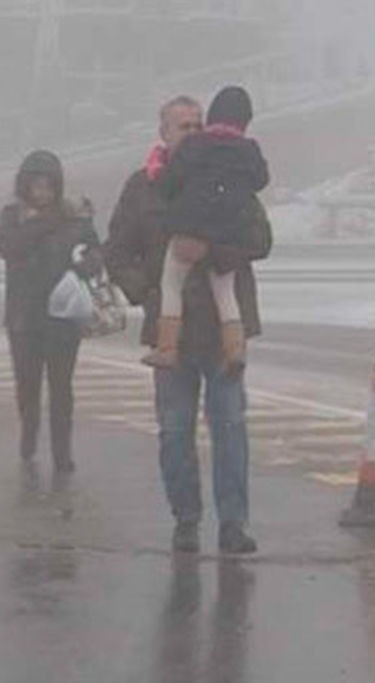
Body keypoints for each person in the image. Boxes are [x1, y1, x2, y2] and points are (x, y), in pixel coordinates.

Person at [104, 96, 272, 554]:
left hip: (224, 329)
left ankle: (233, 524)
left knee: (230, 427)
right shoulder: (143, 188)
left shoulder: (229, 179)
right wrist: (149, 293)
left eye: (199, 124)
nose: (193, 132)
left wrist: (214, 255)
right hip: (170, 331)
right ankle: (186, 518)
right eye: (183, 126)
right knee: (175, 431)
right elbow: (116, 251)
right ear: (163, 133)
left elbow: (260, 241)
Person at [142, 86, 269, 374]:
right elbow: (261, 179)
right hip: (225, 238)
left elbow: (170, 182)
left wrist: (162, 177)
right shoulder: (248, 150)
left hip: (188, 231)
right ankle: (235, 350)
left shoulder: (195, 145)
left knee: (171, 283)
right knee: (226, 294)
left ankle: (166, 348)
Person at [0, 150, 101, 474]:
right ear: (24, 186)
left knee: (61, 387)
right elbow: (8, 246)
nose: (42, 192)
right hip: (23, 317)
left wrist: (88, 264)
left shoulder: (74, 218)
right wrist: (48, 221)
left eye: (48, 186)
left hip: (62, 315)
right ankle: (28, 437)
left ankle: (62, 451)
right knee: (27, 384)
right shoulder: (13, 217)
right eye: (35, 185)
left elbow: (95, 249)